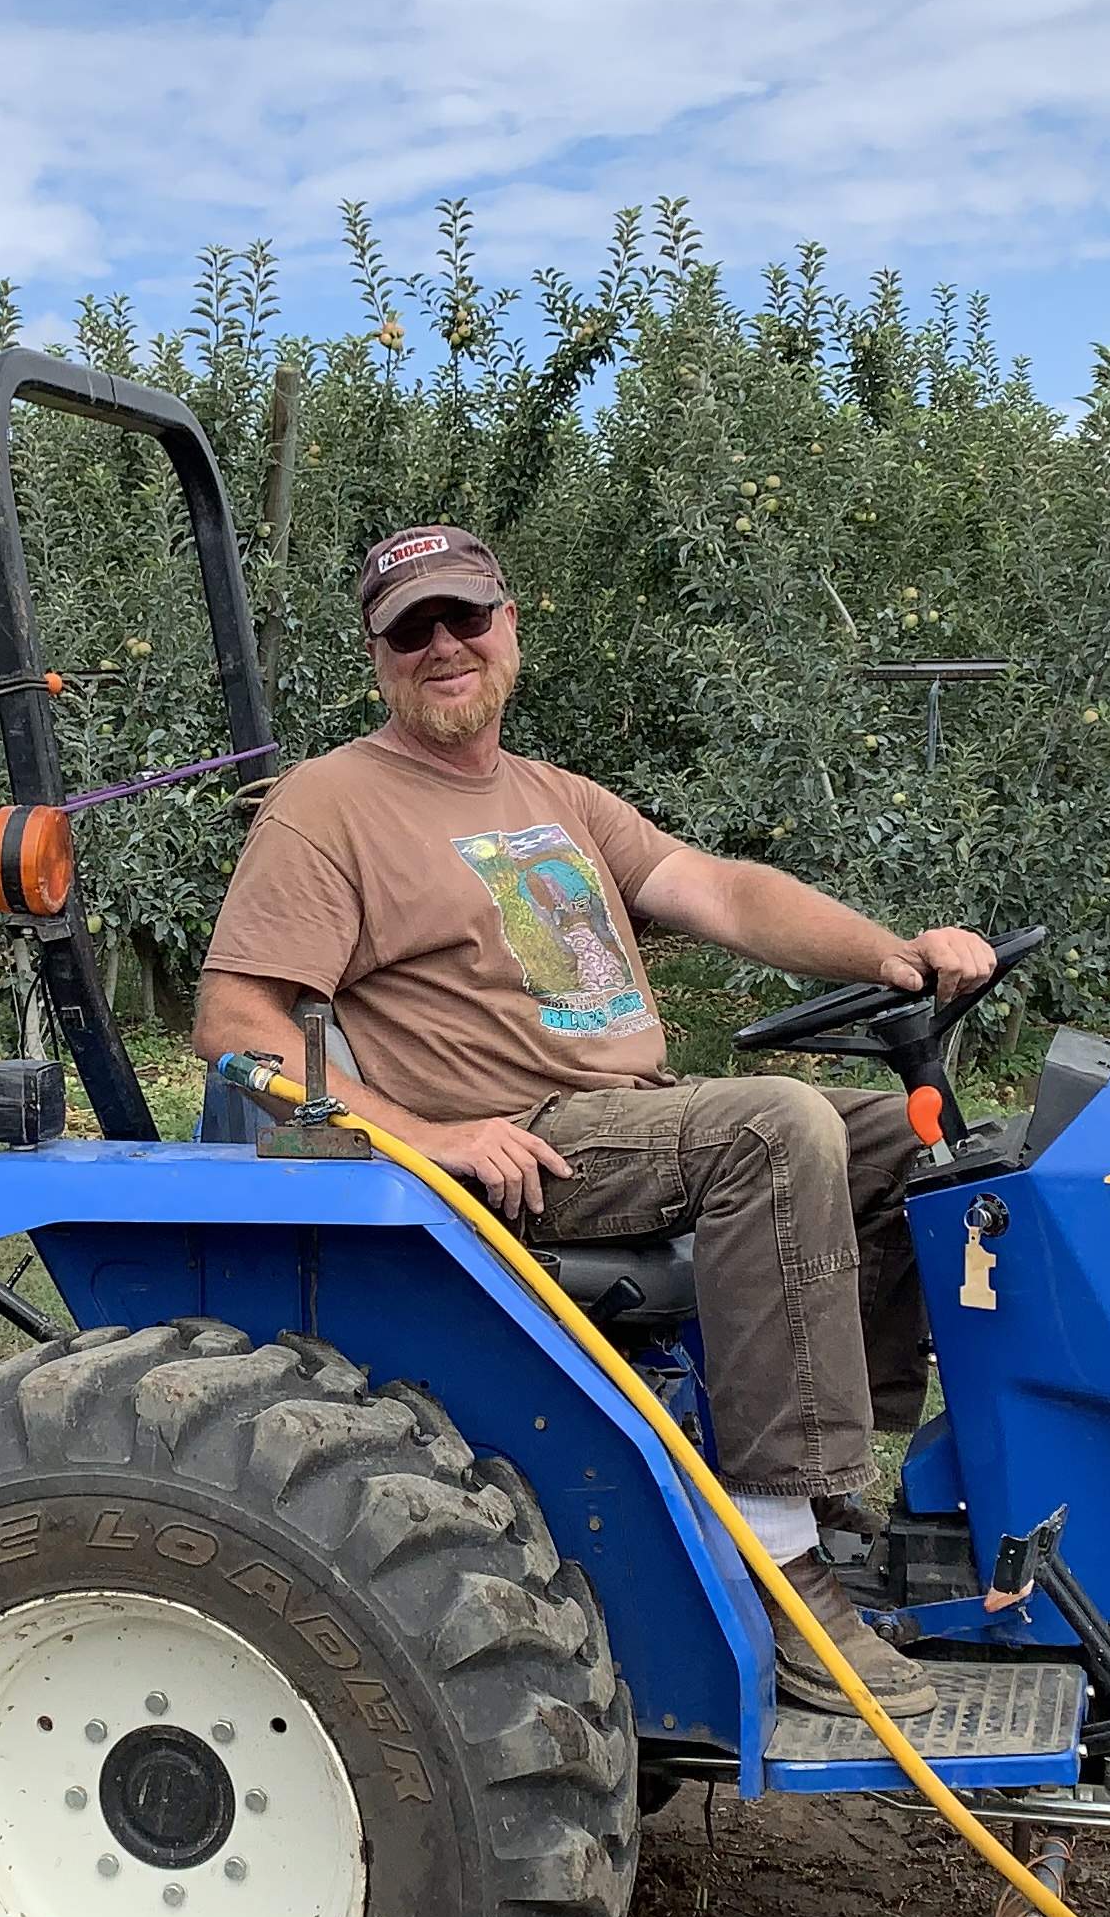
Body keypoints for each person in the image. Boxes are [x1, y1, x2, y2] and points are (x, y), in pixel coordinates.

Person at [193, 523, 993, 1719]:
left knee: (919, 1148)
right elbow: (236, 1023)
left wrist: (891, 954)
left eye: (466, 617)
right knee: (776, 1128)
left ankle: (833, 1488)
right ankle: (779, 1561)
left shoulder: (551, 796)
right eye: (413, 629)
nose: (445, 645)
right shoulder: (331, 806)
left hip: (632, 1114)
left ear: (511, 627)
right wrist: (426, 1134)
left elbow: (716, 888)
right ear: (378, 655)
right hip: (520, 1134)